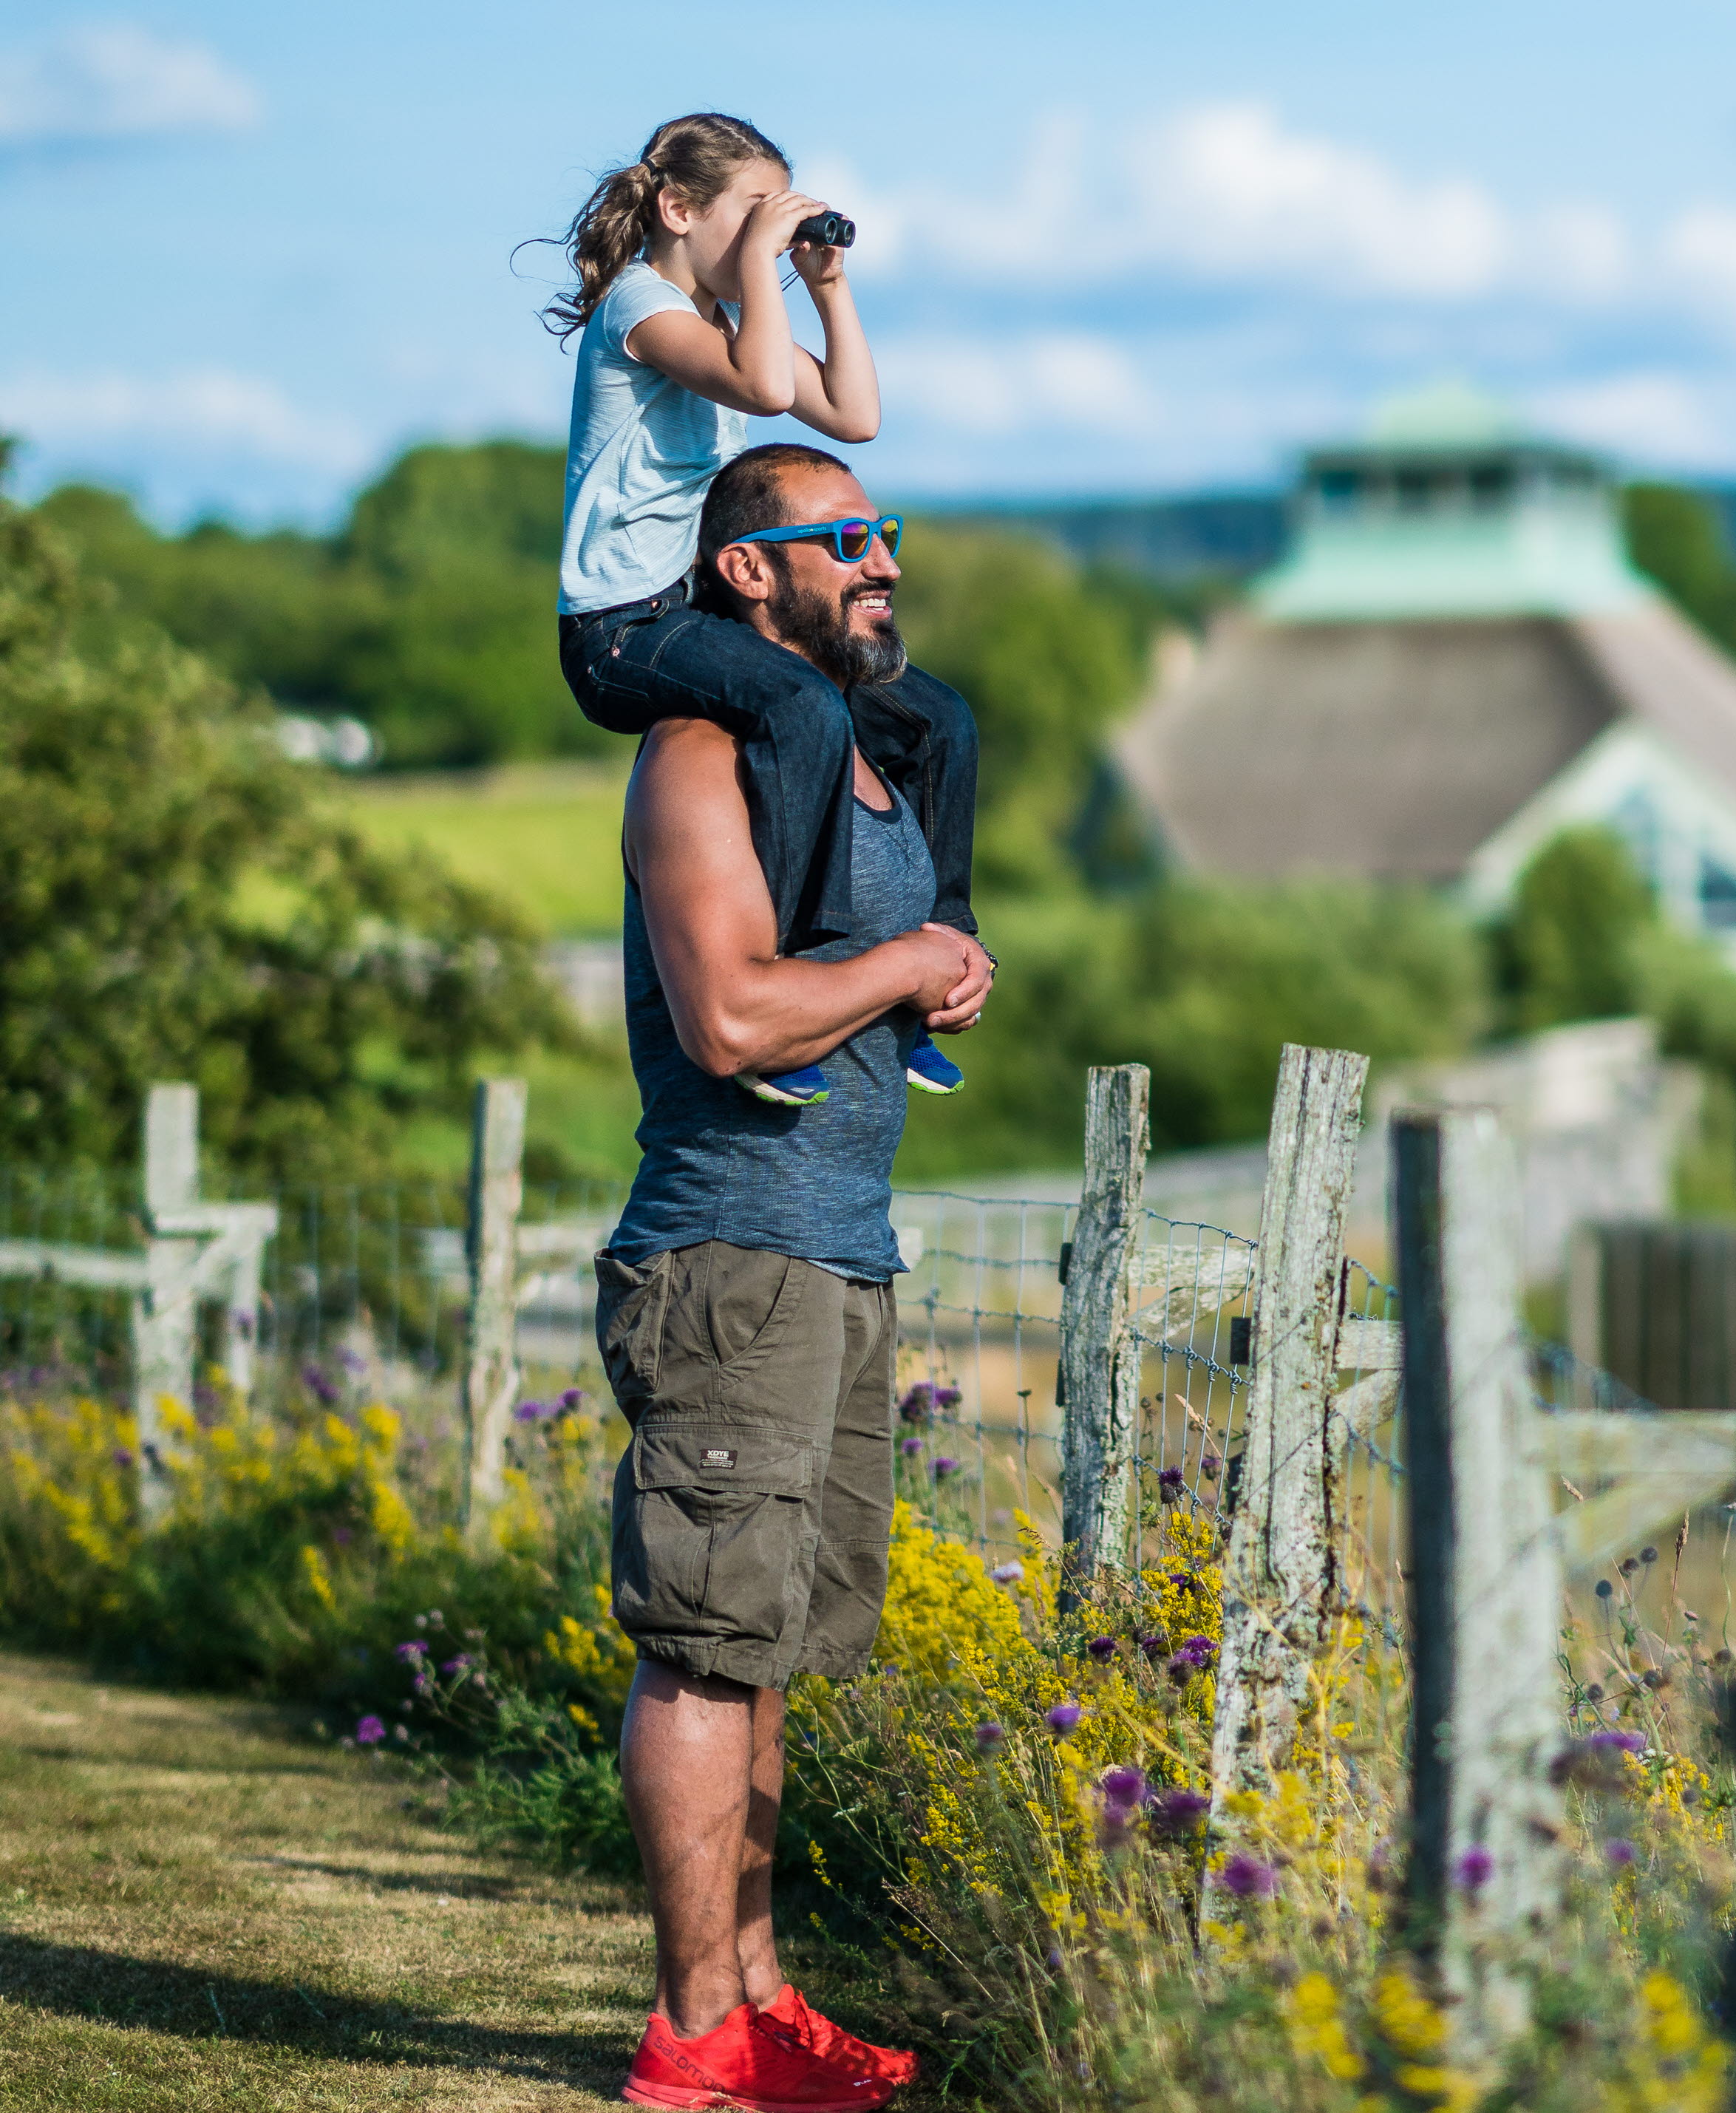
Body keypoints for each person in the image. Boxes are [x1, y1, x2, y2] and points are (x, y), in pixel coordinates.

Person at [594, 444, 993, 2112]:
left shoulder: (871, 757)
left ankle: (757, 2004)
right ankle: (692, 2034)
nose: (882, 560)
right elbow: (733, 1018)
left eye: (886, 533)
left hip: (836, 1251)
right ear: (749, 572)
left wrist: (940, 965)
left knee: (765, 1650)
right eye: (846, 540)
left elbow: (866, 969)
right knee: (706, 1645)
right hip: (730, 1253)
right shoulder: (700, 753)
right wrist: (903, 962)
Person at [546, 112, 973, 1105]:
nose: (766, 239)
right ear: (677, 209)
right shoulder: (639, 306)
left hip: (694, 613)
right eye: (752, 214)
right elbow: (767, 386)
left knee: (935, 717)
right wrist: (762, 266)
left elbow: (855, 416)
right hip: (622, 629)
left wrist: (827, 285)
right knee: (799, 704)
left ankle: (944, 948)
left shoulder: (726, 331)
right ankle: (801, 966)